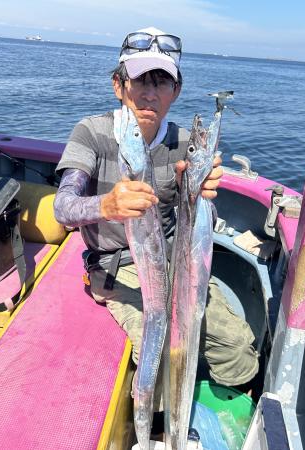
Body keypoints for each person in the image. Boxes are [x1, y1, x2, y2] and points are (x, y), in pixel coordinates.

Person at [53, 27, 258, 389]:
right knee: (159, 351)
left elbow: (202, 222)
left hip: (177, 261)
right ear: (118, 86)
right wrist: (107, 204)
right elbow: (63, 207)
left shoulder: (185, 143)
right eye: (139, 81)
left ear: (175, 91)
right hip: (118, 266)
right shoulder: (92, 132)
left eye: (161, 82)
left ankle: (222, 404)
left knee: (238, 348)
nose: (149, 93)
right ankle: (158, 417)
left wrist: (198, 194)